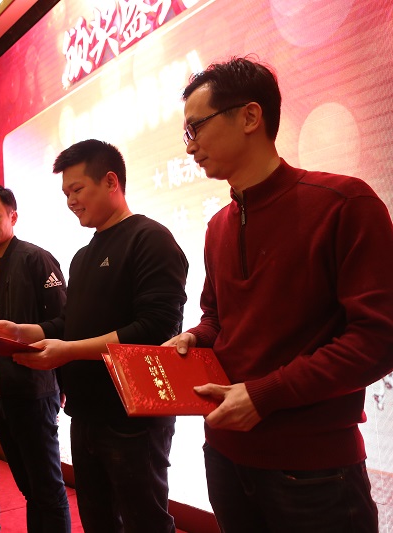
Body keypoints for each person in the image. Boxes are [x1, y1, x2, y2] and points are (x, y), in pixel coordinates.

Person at [162, 57, 393, 532]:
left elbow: (379, 339)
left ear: (250, 116)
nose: (190, 147)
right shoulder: (217, 227)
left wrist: (265, 395)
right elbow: (217, 318)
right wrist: (195, 339)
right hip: (224, 455)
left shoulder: (344, 204)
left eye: (196, 128)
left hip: (314, 470)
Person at [0, 140, 189, 532]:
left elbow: (155, 330)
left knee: (145, 521)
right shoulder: (83, 255)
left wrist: (70, 352)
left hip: (133, 415)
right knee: (97, 520)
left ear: (111, 181)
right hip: (87, 413)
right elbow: (69, 324)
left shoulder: (150, 238)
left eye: (77, 190)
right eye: (66, 194)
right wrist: (25, 331)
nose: (71, 202)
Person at [0, 185, 71, 533]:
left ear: (13, 216)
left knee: (47, 488)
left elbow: (65, 323)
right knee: (29, 488)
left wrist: (61, 382)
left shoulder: (35, 259)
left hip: (33, 389)